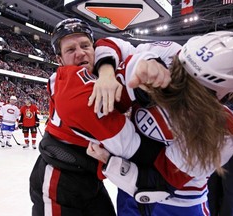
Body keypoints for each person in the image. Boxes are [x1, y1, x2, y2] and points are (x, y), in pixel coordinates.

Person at [86, 31, 233, 215]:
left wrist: (110, 161)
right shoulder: (166, 52)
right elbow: (110, 43)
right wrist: (107, 73)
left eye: (193, 83)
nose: (180, 83)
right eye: (180, 69)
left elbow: (158, 183)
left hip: (178, 203)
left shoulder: (222, 131)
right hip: (131, 193)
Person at [29, 18, 171, 216]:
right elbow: (129, 146)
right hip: (59, 181)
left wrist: (106, 70)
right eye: (70, 50)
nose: (80, 53)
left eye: (85, 45)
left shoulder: (90, 70)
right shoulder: (75, 94)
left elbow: (112, 44)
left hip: (89, 177)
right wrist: (170, 164)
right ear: (60, 60)